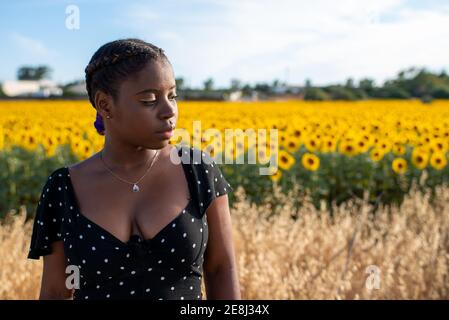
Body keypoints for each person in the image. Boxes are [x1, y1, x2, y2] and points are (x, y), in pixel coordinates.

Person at [27, 38, 241, 300]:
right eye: (150, 100)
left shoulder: (196, 170)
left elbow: (221, 269)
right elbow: (55, 291)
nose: (169, 111)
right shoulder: (63, 187)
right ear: (105, 105)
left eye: (172, 95)